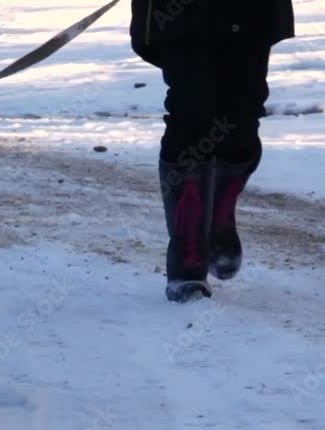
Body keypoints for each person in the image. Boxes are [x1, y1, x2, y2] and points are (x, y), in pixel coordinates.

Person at [130, 0, 295, 302]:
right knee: (192, 112)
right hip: (181, 14)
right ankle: (189, 250)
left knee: (242, 118)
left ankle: (219, 211)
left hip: (250, 14)